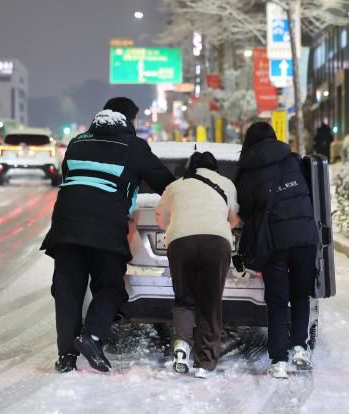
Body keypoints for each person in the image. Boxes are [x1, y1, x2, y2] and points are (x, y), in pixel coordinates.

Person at [41, 97, 175, 373]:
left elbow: (68, 179)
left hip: (66, 227)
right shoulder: (134, 147)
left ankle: (66, 357)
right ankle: (91, 337)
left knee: (67, 292)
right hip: (106, 229)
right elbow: (165, 183)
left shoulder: (77, 142)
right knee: (110, 287)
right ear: (128, 119)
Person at [235, 121, 319, 379]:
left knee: (277, 301)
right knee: (302, 295)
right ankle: (300, 348)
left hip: (274, 241)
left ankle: (279, 361)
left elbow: (246, 210)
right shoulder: (293, 160)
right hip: (305, 236)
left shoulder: (247, 170)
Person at [155, 152, 239, 379]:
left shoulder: (175, 186)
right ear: (215, 167)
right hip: (216, 242)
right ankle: (205, 364)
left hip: (181, 242)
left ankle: (182, 345)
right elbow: (234, 217)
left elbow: (161, 217)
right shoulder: (226, 184)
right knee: (210, 304)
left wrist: (179, 225)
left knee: (185, 299)